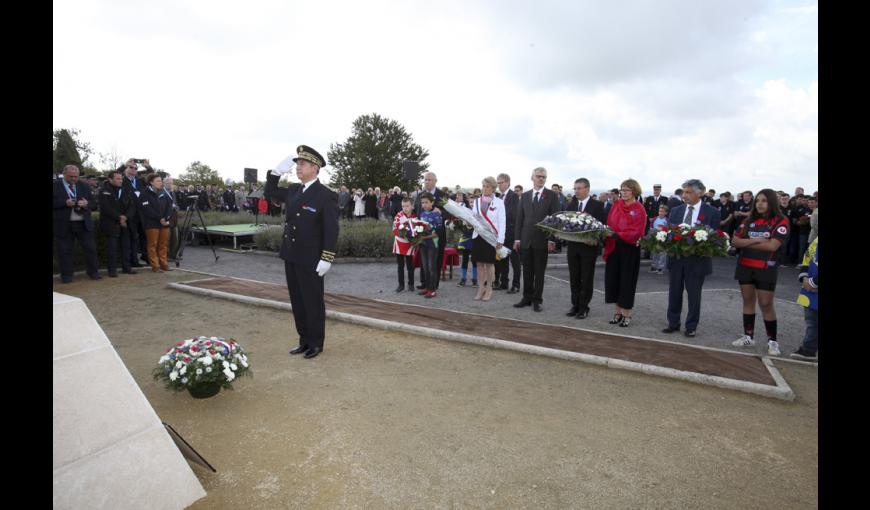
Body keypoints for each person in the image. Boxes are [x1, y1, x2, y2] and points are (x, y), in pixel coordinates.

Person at [265, 145, 338, 359]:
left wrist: (327, 257)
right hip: (291, 254)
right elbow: (270, 193)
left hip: (311, 258)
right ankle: (304, 340)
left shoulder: (326, 195)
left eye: (302, 164)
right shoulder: (294, 190)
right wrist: (275, 173)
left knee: (312, 301)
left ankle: (316, 342)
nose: (298, 167)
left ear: (315, 168)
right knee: (297, 301)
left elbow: (331, 229)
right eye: (297, 163)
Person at [729, 189, 790, 356]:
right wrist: (755, 240)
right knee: (748, 300)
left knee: (765, 303)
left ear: (772, 202)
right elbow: (735, 241)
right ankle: (748, 337)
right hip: (745, 266)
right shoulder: (749, 219)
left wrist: (746, 242)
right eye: (757, 201)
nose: (760, 204)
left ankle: (773, 341)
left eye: (764, 200)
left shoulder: (781, 220)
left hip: (766, 268)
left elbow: (772, 246)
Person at [661, 180, 721, 337]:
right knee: (674, 292)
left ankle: (691, 326)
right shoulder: (676, 210)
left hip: (697, 260)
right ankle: (673, 323)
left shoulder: (712, 212)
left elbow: (715, 237)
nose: (684, 195)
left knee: (694, 295)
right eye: (683, 192)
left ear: (699, 193)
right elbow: (669, 231)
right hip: (676, 258)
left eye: (688, 192)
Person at [513, 167, 560, 312]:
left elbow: (555, 219)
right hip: (526, 240)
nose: (541, 178)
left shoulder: (552, 195)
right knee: (527, 271)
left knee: (539, 273)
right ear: (532, 178)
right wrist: (517, 239)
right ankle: (526, 298)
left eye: (543, 177)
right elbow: (520, 218)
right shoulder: (525, 195)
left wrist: (552, 239)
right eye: (538, 176)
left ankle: (537, 300)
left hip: (542, 240)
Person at [603, 179, 647, 327]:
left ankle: (627, 314)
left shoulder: (639, 209)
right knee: (614, 280)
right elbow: (610, 222)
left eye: (627, 190)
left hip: (629, 249)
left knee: (627, 282)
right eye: (622, 189)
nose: (624, 192)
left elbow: (637, 231)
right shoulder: (616, 204)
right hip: (614, 246)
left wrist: (618, 234)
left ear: (634, 191)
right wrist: (609, 233)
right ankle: (617, 313)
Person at [564, 178, 607, 319]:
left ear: (587, 189)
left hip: (588, 248)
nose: (576, 191)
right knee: (574, 277)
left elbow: (602, 226)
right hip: (573, 247)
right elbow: (566, 224)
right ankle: (575, 305)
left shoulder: (598, 205)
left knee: (586, 278)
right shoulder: (571, 205)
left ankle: (584, 307)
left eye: (579, 188)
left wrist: (596, 239)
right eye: (575, 188)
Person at [54, 165, 101, 282]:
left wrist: (86, 204)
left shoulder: (84, 185)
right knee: (65, 251)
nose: (74, 179)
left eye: (76, 176)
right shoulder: (55, 185)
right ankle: (67, 276)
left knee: (90, 249)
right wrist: (64, 203)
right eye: (71, 176)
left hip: (83, 223)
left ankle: (93, 272)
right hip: (64, 224)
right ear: (64, 174)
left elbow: (94, 203)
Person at [470, 177, 506, 301]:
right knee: (479, 264)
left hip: (491, 237)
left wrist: (501, 239)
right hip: (478, 235)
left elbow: (502, 222)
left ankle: (489, 288)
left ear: (493, 188)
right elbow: (473, 218)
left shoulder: (499, 202)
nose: (484, 189)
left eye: (487, 186)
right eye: (483, 186)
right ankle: (481, 288)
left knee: (489, 264)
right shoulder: (476, 202)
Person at [98, 170, 137, 277]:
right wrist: (119, 217)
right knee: (112, 248)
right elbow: (106, 207)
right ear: (110, 179)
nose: (120, 181)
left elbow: (132, 206)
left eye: (121, 179)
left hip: (125, 223)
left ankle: (126, 267)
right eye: (118, 179)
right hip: (111, 224)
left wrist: (126, 217)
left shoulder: (125, 190)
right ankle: (112, 270)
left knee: (126, 247)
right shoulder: (104, 191)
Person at [414, 172, 447, 291]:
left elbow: (450, 212)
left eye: (429, 180)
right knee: (424, 261)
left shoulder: (442, 195)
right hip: (423, 235)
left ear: (435, 181)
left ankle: (434, 286)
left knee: (435, 262)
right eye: (425, 179)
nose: (427, 182)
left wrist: (441, 212)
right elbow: (417, 212)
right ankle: (425, 283)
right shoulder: (420, 195)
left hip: (437, 236)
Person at [138, 173, 173, 273]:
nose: (160, 183)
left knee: (163, 245)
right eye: (158, 181)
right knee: (152, 245)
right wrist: (159, 218)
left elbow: (169, 207)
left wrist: (166, 218)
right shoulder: (144, 193)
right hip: (152, 224)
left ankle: (164, 264)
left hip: (164, 223)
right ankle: (155, 266)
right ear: (151, 182)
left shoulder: (164, 192)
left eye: (161, 181)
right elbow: (146, 209)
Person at [790, 237, 818, 361]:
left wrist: (812, 283)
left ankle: (808, 349)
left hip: (812, 285)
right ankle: (808, 350)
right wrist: (804, 277)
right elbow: (807, 256)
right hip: (810, 289)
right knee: (811, 321)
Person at [494, 173, 521, 293]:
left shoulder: (513, 196)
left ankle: (516, 285)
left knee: (515, 262)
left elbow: (514, 216)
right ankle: (504, 283)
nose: (499, 185)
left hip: (511, 234)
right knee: (502, 260)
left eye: (501, 182)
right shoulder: (499, 197)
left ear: (508, 183)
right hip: (501, 235)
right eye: (498, 183)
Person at [417, 193, 442, 298]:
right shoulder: (422, 214)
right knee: (425, 267)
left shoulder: (437, 215)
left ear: (432, 202)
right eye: (422, 203)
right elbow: (419, 228)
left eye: (426, 202)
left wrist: (424, 237)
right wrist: (416, 237)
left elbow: (438, 233)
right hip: (423, 245)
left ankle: (432, 290)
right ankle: (427, 288)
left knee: (432, 267)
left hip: (432, 244)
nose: (424, 205)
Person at [392, 197, 417, 292]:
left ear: (412, 206)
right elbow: (395, 229)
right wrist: (402, 234)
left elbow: (418, 230)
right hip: (399, 243)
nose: (405, 208)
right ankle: (401, 285)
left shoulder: (415, 217)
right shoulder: (399, 215)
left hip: (410, 244)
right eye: (403, 206)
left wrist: (414, 238)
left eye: (407, 206)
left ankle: (411, 284)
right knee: (400, 265)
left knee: (410, 266)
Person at [453, 192, 478, 287]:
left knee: (475, 260)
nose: (472, 204)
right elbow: (460, 223)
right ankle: (463, 279)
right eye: (471, 202)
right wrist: (459, 224)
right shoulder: (465, 211)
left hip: (475, 239)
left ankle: (475, 279)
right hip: (465, 237)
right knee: (465, 259)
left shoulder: (479, 214)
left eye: (474, 202)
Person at [650, 204, 669, 274]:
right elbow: (651, 227)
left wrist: (663, 230)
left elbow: (668, 229)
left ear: (666, 213)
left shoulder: (667, 220)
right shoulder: (654, 219)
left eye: (662, 212)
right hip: (655, 238)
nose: (661, 213)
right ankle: (654, 266)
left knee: (662, 253)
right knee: (654, 252)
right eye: (660, 211)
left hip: (663, 239)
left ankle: (661, 268)